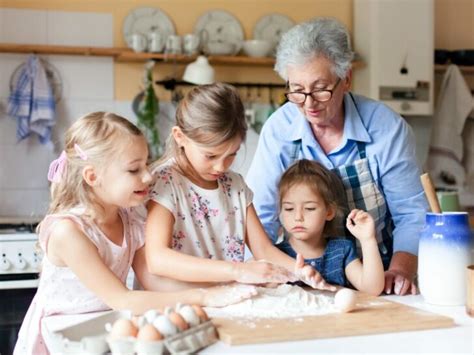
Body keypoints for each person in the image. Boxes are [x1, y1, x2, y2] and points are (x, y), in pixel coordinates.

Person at [14, 112, 258, 355]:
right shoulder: (69, 232)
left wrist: (224, 289)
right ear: (92, 176)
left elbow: (153, 281)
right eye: (134, 170)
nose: (148, 176)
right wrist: (205, 297)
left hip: (104, 329)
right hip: (62, 337)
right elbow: (122, 300)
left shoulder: (129, 219)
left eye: (145, 163)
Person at [246, 17, 428, 296]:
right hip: (304, 281)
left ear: (346, 79)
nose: (308, 104)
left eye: (320, 89)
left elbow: (411, 214)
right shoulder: (279, 130)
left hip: (378, 279)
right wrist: (258, 278)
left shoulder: (386, 129)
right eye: (296, 90)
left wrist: (400, 270)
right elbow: (261, 218)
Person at [145, 83, 336, 290]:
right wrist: (238, 270)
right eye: (210, 155)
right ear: (180, 137)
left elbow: (263, 249)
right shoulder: (165, 182)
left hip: (225, 300)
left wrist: (300, 270)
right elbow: (157, 259)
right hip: (177, 301)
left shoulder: (234, 185)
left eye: (231, 154)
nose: (220, 166)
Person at [276, 159, 384, 295]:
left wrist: (368, 240)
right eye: (289, 208)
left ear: (329, 212)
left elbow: (372, 289)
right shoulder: (277, 255)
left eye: (309, 208)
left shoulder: (341, 251)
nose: (298, 217)